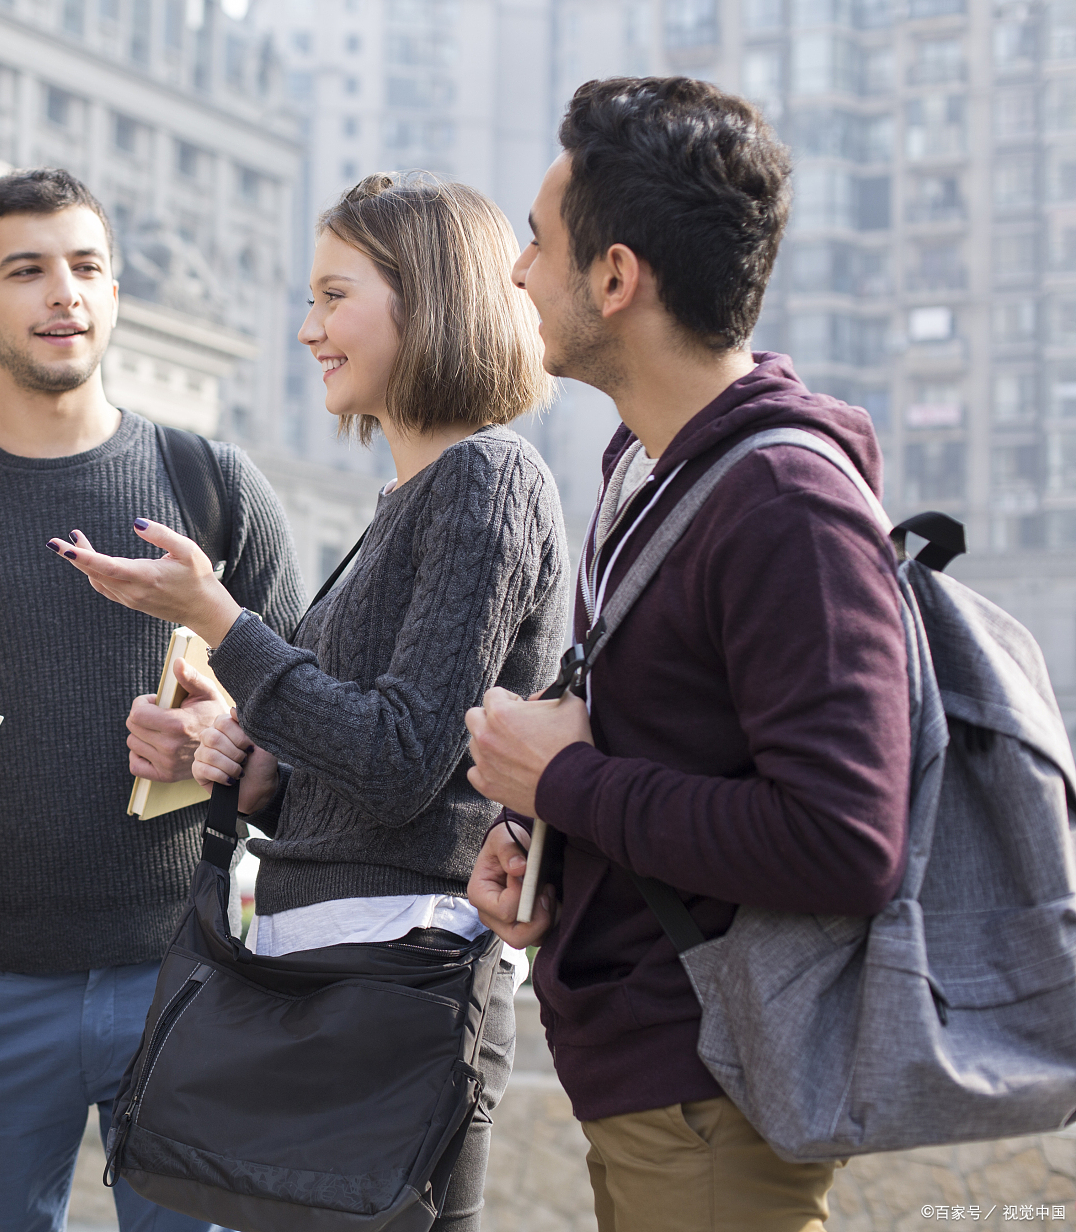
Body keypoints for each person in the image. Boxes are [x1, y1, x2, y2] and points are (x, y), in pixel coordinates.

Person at [53, 173, 570, 1231]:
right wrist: (236, 756)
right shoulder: (405, 501)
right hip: (319, 970)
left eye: (332, 297)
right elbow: (342, 779)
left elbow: (400, 757)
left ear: (425, 298)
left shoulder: (487, 481)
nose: (306, 330)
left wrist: (223, 624)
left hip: (395, 987)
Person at [462, 77, 913, 1231]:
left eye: (536, 241)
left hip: (713, 1098)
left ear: (613, 278)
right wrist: (537, 841)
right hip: (644, 1079)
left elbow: (840, 840)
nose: (515, 272)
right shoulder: (642, 469)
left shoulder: (782, 504)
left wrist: (559, 780)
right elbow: (662, 746)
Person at [0, 168, 304, 1232]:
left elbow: (313, 712)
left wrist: (222, 732)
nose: (64, 293)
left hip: (181, 977)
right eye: (27, 271)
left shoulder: (212, 485)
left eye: (86, 267)